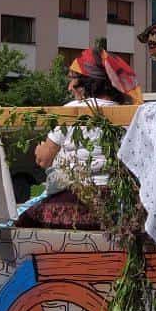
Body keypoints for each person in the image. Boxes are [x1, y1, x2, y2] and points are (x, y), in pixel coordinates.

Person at [22, 45, 142, 228]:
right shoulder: (127, 113)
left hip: (76, 199)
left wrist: (40, 149)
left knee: (23, 221)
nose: (70, 87)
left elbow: (44, 159)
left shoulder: (71, 111)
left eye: (73, 79)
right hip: (116, 202)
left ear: (88, 82)